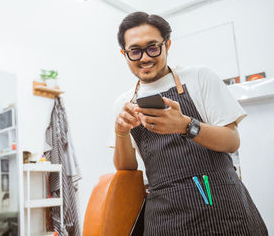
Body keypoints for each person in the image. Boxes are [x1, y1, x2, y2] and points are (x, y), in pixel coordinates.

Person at [112, 12, 268, 235]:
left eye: (153, 47)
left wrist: (185, 125)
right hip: (165, 215)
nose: (144, 57)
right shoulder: (124, 102)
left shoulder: (199, 77)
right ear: (124, 54)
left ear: (167, 44)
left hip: (222, 206)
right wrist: (120, 132)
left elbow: (232, 141)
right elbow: (126, 169)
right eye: (135, 51)